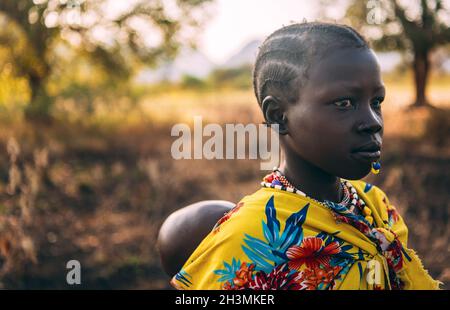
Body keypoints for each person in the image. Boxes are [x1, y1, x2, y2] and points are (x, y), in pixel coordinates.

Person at [158, 22, 441, 290]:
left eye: (376, 102)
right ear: (278, 115)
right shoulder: (249, 236)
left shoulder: (375, 206)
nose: (373, 121)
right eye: (344, 103)